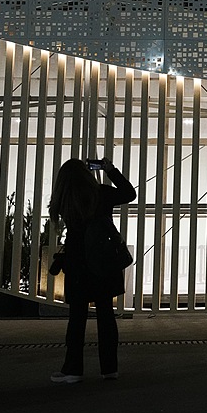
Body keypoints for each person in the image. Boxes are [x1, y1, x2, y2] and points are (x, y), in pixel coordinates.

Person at [48, 157, 136, 384]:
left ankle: (73, 370)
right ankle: (109, 369)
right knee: (106, 315)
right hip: (103, 261)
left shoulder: (65, 198)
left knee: (76, 318)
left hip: (77, 263)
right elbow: (129, 194)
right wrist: (110, 170)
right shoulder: (101, 193)